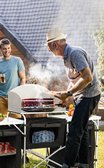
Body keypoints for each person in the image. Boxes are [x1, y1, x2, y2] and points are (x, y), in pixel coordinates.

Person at [46, 28, 101, 168]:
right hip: (81, 95)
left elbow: (88, 77)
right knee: (81, 131)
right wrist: (65, 96)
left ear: (55, 45)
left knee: (74, 131)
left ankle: (67, 165)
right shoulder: (66, 57)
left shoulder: (74, 53)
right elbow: (75, 80)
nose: (50, 51)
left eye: (49, 48)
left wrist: (69, 93)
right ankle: (83, 164)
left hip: (89, 94)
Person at [0, 38, 26, 116]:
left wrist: (20, 92)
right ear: (0, 49)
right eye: (4, 49)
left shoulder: (17, 60)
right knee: (2, 121)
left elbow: (23, 78)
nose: (7, 50)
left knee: (16, 120)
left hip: (14, 96)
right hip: (1, 96)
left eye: (8, 48)